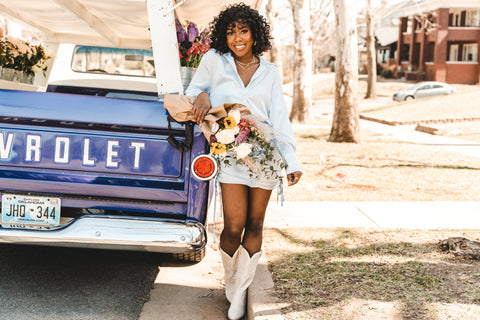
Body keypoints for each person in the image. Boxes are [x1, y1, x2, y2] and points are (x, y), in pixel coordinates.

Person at [185, 3, 302, 319]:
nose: (237, 38)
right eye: (231, 31)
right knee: (234, 225)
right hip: (231, 149)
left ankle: (239, 292)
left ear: (255, 34)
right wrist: (203, 96)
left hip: (264, 153)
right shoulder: (214, 60)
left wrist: (291, 161)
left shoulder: (270, 72)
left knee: (255, 223)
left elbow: (279, 118)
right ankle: (233, 282)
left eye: (244, 30)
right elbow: (193, 90)